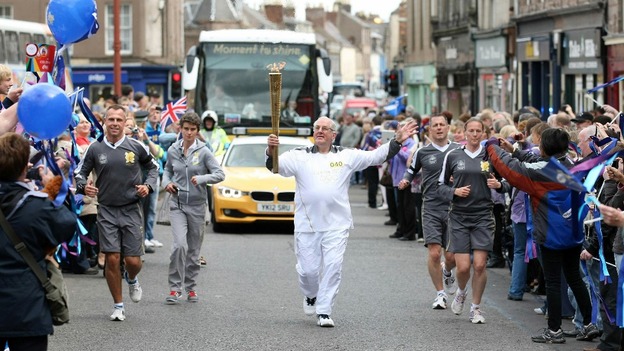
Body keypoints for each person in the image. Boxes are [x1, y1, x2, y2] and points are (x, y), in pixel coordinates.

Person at [265, 116, 417, 327]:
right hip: (307, 224)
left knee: (333, 266)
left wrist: (397, 141)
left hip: (337, 224)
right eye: (317, 128)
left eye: (325, 129)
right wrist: (271, 151)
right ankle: (310, 294)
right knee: (308, 271)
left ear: (333, 135)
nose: (320, 131)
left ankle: (324, 310)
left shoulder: (346, 155)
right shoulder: (298, 156)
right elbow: (275, 168)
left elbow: (375, 157)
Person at [486, 128, 600, 343]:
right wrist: (516, 150)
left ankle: (554, 330)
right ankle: (588, 324)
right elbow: (535, 161)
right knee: (574, 278)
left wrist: (491, 146)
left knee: (554, 282)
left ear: (545, 147)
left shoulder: (541, 170)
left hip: (549, 234)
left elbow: (511, 169)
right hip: (572, 232)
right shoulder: (571, 164)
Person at [75, 105, 159, 321]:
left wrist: (147, 187)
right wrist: (85, 187)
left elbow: (153, 168)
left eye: (118, 120)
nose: (114, 123)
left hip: (131, 209)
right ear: (104, 122)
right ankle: (118, 305)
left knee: (132, 261)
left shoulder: (136, 146)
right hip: (106, 210)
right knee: (112, 258)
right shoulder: (95, 148)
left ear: (125, 123)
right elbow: (79, 174)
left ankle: (132, 279)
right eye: (110, 119)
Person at [0, 132, 76, 351]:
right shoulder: (37, 205)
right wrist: (51, 186)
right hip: (27, 305)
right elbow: (67, 225)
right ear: (25, 167)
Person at [438, 117, 509, 324]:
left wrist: (499, 185)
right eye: (471, 131)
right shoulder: (453, 156)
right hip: (459, 215)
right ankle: (461, 291)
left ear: (484, 134)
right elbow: (439, 186)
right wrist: (454, 191)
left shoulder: (491, 156)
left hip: (483, 215)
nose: (475, 134)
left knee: (479, 266)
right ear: (465, 132)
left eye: (479, 131)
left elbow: (508, 181)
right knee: (462, 267)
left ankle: (476, 308)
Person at [161, 112, 224, 304]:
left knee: (194, 251)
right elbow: (167, 170)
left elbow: (220, 174)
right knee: (179, 245)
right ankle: (174, 288)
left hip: (197, 206)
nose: (189, 133)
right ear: (180, 129)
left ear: (197, 131)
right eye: (186, 129)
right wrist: (167, 183)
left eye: (193, 130)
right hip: (178, 204)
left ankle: (191, 287)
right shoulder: (173, 150)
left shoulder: (204, 152)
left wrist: (202, 179)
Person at [399, 114, 459, 309]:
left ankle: (448, 272)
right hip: (431, 206)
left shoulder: (458, 150)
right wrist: (406, 180)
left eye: (442, 125)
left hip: (453, 207)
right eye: (436, 125)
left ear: (448, 127)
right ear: (430, 130)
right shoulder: (423, 152)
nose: (439, 128)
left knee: (450, 256)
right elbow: (411, 169)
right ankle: (440, 294)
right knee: (434, 253)